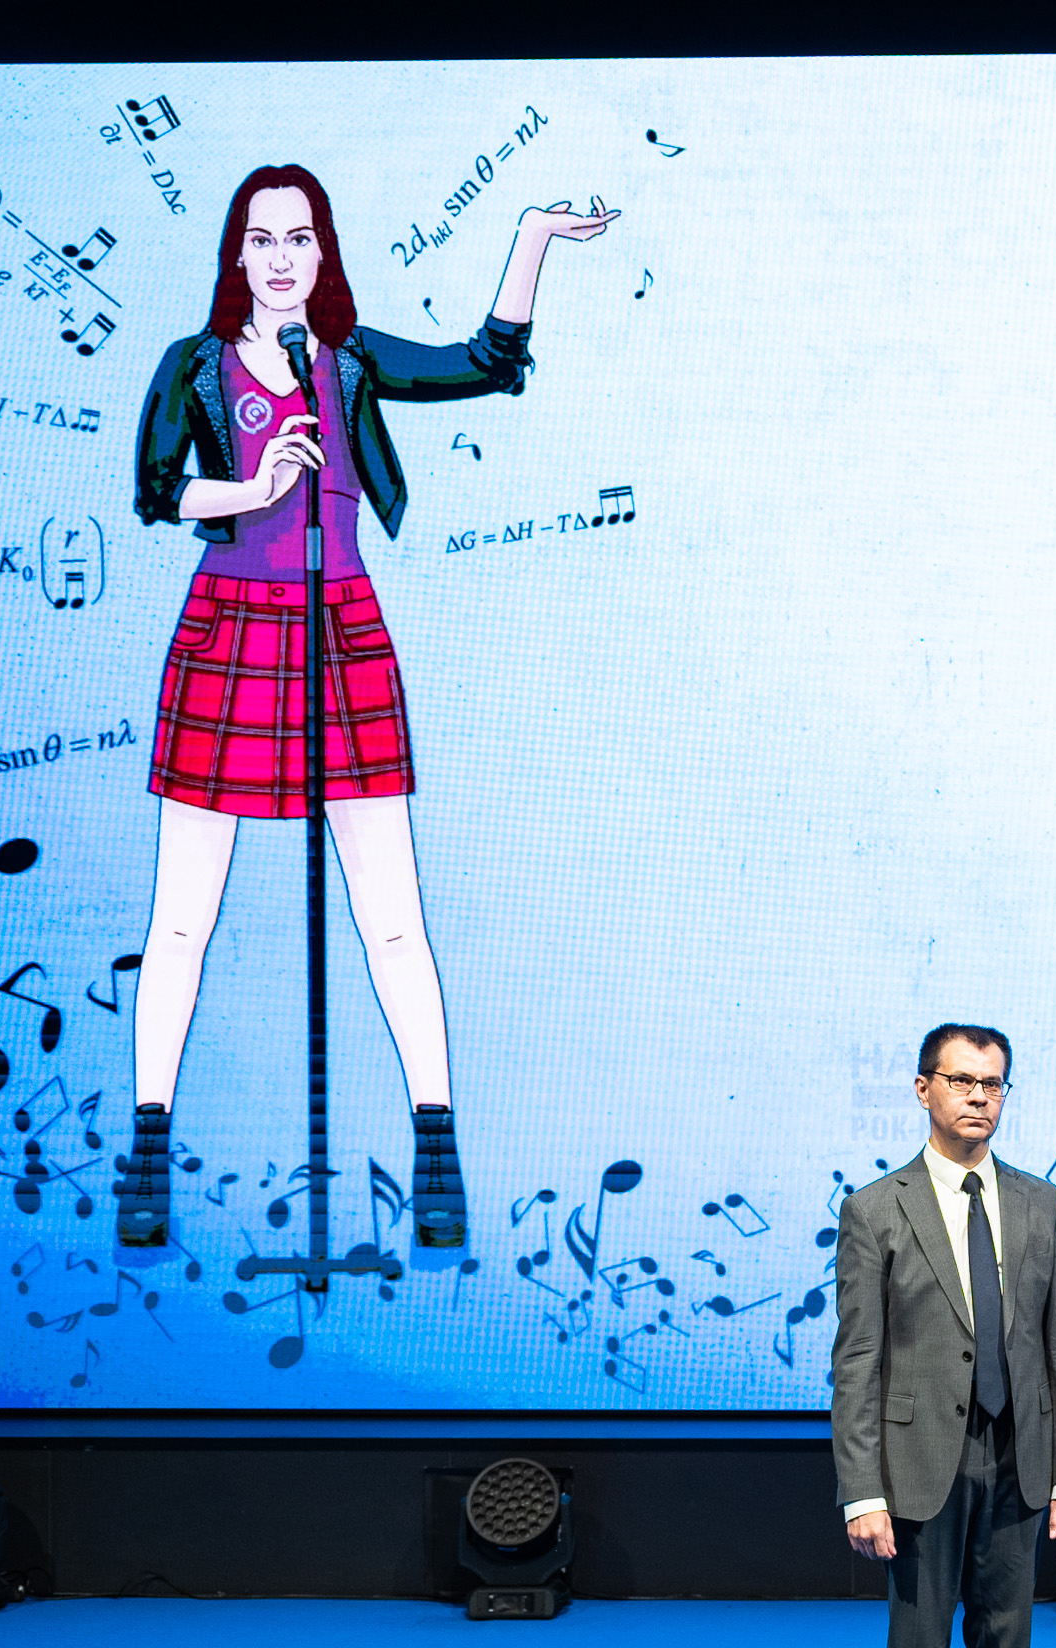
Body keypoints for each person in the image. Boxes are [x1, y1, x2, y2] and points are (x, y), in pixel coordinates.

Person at [115, 164, 616, 1253]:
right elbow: (157, 489)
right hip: (229, 630)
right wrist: (252, 490)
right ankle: (147, 1150)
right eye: (262, 239)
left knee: (392, 915)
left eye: (300, 237)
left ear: (323, 252)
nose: (282, 257)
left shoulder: (347, 359)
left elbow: (488, 364)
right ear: (235, 254)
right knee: (182, 917)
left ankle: (436, 1148)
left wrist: (531, 237)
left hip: (340, 629)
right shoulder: (195, 365)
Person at [831, 1025, 1056, 1648]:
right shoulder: (876, 1208)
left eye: (993, 1084)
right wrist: (861, 1489)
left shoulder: (1040, 1202)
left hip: (1019, 1459)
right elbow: (857, 1361)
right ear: (924, 1089)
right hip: (917, 1464)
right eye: (962, 1081)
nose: (979, 1097)